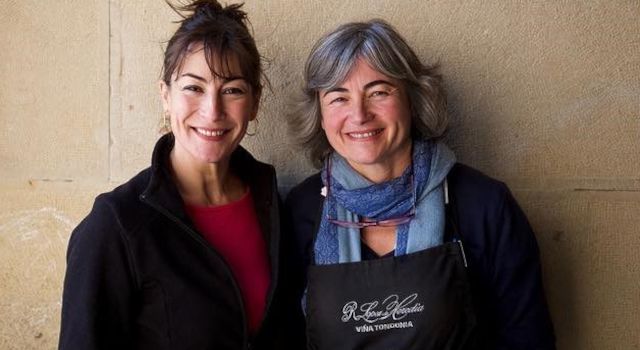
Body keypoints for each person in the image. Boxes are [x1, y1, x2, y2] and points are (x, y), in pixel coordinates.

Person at [285, 19, 556, 349]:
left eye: (379, 92)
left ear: (412, 100)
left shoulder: (483, 205)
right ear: (320, 115)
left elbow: (527, 339)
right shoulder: (302, 210)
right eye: (338, 98)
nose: (359, 115)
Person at [59, 1, 285, 348]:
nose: (212, 111)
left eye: (233, 90)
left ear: (254, 102)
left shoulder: (270, 201)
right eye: (193, 88)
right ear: (165, 96)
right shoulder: (117, 224)